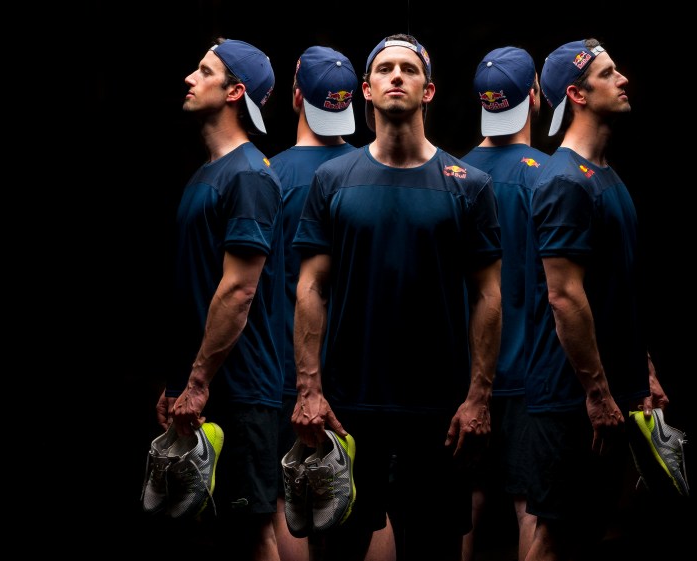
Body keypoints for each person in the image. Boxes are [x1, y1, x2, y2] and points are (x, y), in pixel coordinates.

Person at [291, 33, 503, 561]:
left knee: (433, 549)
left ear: (428, 90)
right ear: (366, 88)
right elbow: (312, 286)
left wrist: (478, 397)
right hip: (347, 406)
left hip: (439, 411)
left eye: (408, 69)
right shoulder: (332, 179)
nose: (396, 76)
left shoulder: (469, 184)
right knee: (336, 550)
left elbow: (488, 295)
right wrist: (309, 390)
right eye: (384, 68)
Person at [523, 39, 670, 561]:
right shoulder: (564, 181)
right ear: (576, 95)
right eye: (609, 74)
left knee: (595, 532)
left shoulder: (608, 177)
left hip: (614, 395)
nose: (623, 79)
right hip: (572, 403)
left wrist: (643, 371)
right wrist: (598, 394)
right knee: (556, 536)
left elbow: (618, 292)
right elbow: (564, 296)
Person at [151, 37, 284, 560]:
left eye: (203, 70)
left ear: (235, 91)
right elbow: (194, 285)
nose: (189, 78)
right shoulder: (206, 174)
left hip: (242, 391)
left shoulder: (249, 175)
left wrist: (199, 383)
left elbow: (239, 289)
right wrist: (176, 382)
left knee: (251, 533)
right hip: (202, 388)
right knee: (214, 537)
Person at [268, 45, 394, 561]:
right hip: (363, 364)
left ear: (296, 97)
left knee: (285, 496)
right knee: (373, 502)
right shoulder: (379, 169)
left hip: (280, 365)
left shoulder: (266, 174)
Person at [459, 46, 548, 561]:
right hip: (533, 378)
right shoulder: (551, 176)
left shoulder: (452, 174)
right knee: (531, 510)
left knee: (462, 508)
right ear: (534, 98)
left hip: (467, 377)